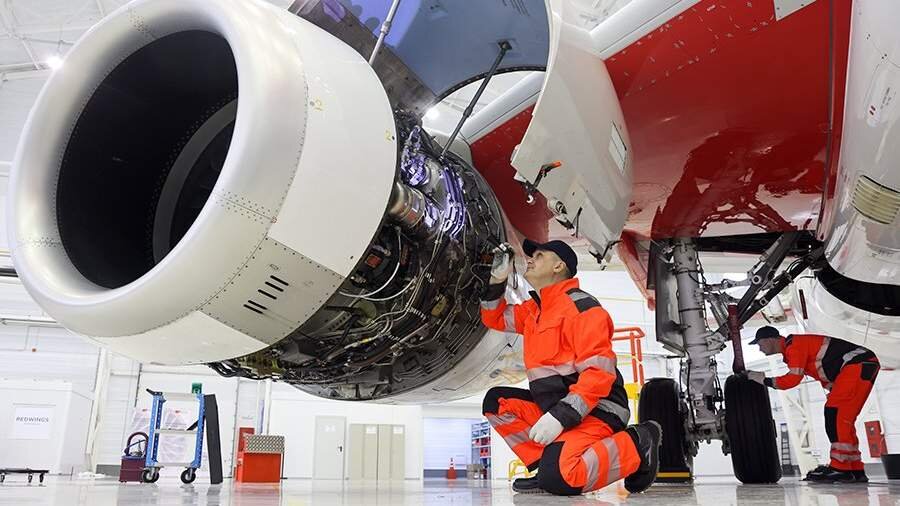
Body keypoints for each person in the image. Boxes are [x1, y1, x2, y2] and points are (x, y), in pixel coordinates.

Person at [479, 238, 661, 495]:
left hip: (598, 409)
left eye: (539, 255)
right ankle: (544, 467)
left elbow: (599, 375)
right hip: (559, 409)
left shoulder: (583, 309)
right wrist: (497, 281)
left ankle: (638, 442)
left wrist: (560, 417)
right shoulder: (535, 310)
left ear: (558, 266)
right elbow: (493, 317)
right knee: (496, 403)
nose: (530, 259)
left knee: (563, 478)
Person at [744, 326, 880, 483]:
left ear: (769, 339)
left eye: (760, 344)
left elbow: (792, 379)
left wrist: (764, 380)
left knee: (834, 414)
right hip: (861, 365)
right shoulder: (794, 347)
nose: (760, 349)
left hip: (857, 365)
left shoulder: (794, 346)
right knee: (843, 419)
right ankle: (855, 469)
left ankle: (840, 468)